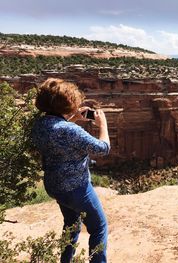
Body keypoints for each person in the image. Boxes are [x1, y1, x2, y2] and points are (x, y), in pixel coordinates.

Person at [31, 78, 110, 263]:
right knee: (99, 227)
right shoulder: (70, 131)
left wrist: (72, 118)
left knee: (72, 225)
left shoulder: (40, 125)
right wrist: (103, 125)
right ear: (68, 102)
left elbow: (57, 131)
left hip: (54, 186)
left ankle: (65, 260)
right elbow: (103, 149)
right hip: (77, 189)